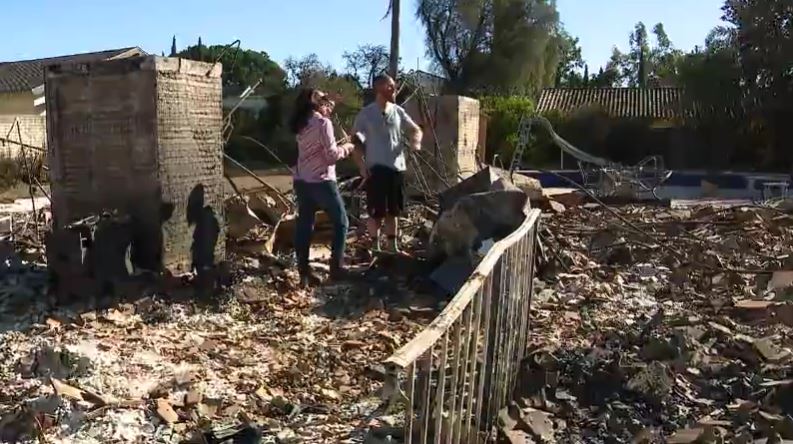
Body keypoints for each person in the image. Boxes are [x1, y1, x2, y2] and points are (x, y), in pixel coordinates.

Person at [290, 89, 356, 285]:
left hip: (302, 181)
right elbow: (331, 156)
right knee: (342, 222)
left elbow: (315, 150)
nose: (328, 102)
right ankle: (336, 268)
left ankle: (303, 271)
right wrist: (347, 148)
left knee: (305, 224)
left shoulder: (300, 124)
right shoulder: (323, 124)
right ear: (316, 103)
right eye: (324, 99)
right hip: (322, 181)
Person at [352, 74, 423, 253]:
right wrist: (361, 165)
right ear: (379, 88)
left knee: (394, 210)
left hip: (396, 168)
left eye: (394, 86)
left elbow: (416, 130)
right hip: (375, 169)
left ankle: (392, 246)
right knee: (376, 212)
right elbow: (356, 142)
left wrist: (416, 142)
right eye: (390, 86)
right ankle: (375, 245)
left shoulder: (398, 111)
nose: (394, 90)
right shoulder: (366, 114)